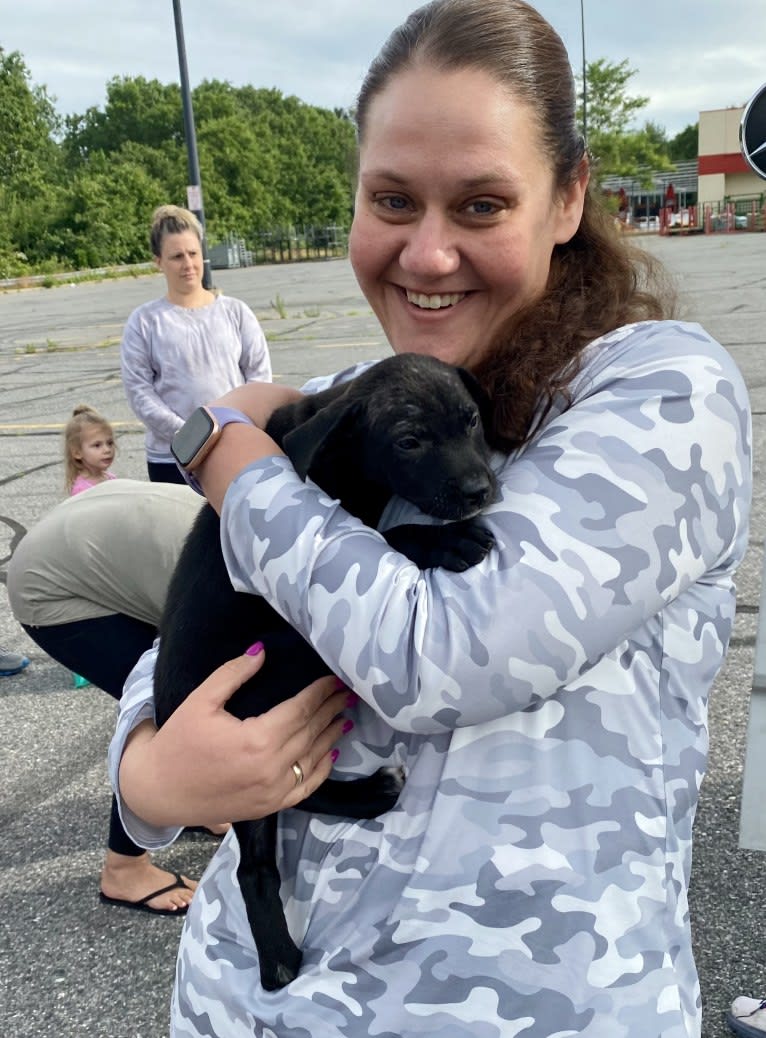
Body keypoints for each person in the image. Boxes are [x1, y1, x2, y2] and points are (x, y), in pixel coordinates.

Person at [106, 0, 752, 1034]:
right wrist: (149, 775)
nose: (428, 253)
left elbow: (440, 652)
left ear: (567, 196)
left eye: (483, 204)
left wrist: (226, 454)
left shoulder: (659, 395)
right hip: (244, 1003)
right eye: (393, 200)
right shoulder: (360, 394)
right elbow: (186, 630)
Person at [7, 480, 207, 914]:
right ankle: (125, 870)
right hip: (53, 587)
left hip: (84, 540)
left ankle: (193, 803)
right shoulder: (246, 586)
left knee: (195, 698)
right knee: (171, 711)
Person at [120, 204, 272, 484]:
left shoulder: (235, 312)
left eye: (193, 253)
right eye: (177, 256)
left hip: (234, 450)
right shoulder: (144, 322)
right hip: (172, 458)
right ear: (159, 262)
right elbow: (139, 391)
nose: (188, 264)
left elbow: (258, 378)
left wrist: (234, 429)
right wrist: (189, 434)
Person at [63, 404, 118, 496]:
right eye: (97, 445)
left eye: (110, 443)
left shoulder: (111, 478)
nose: (107, 450)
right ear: (77, 452)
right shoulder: (81, 490)